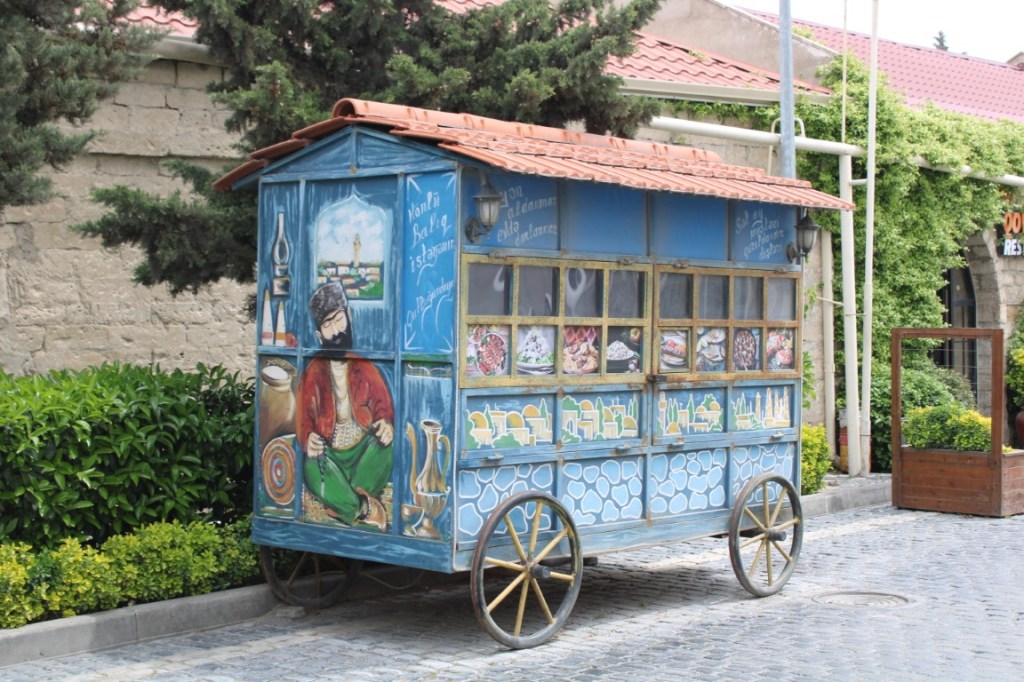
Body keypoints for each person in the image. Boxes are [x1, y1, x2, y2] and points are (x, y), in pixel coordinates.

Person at [298, 282, 394, 530]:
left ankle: (344, 505)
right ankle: (364, 509)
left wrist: (385, 423)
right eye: (327, 325)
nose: (336, 331)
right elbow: (303, 418)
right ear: (319, 335)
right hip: (330, 455)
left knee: (386, 446)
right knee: (312, 465)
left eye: (339, 319)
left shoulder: (364, 366)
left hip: (362, 454)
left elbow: (383, 405)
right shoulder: (313, 372)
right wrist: (308, 438)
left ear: (349, 317)